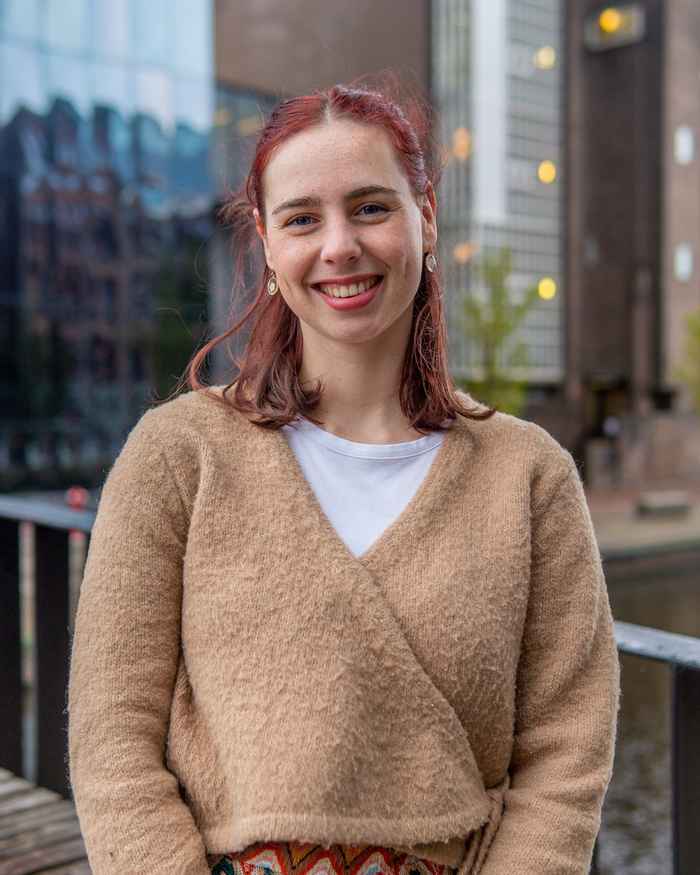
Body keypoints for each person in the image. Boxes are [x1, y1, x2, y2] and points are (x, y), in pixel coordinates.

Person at [67, 78, 620, 875]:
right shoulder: (178, 454)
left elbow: (567, 760)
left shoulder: (529, 476)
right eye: (302, 219)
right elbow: (111, 739)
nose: (338, 247)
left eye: (370, 207)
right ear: (265, 244)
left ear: (424, 219)